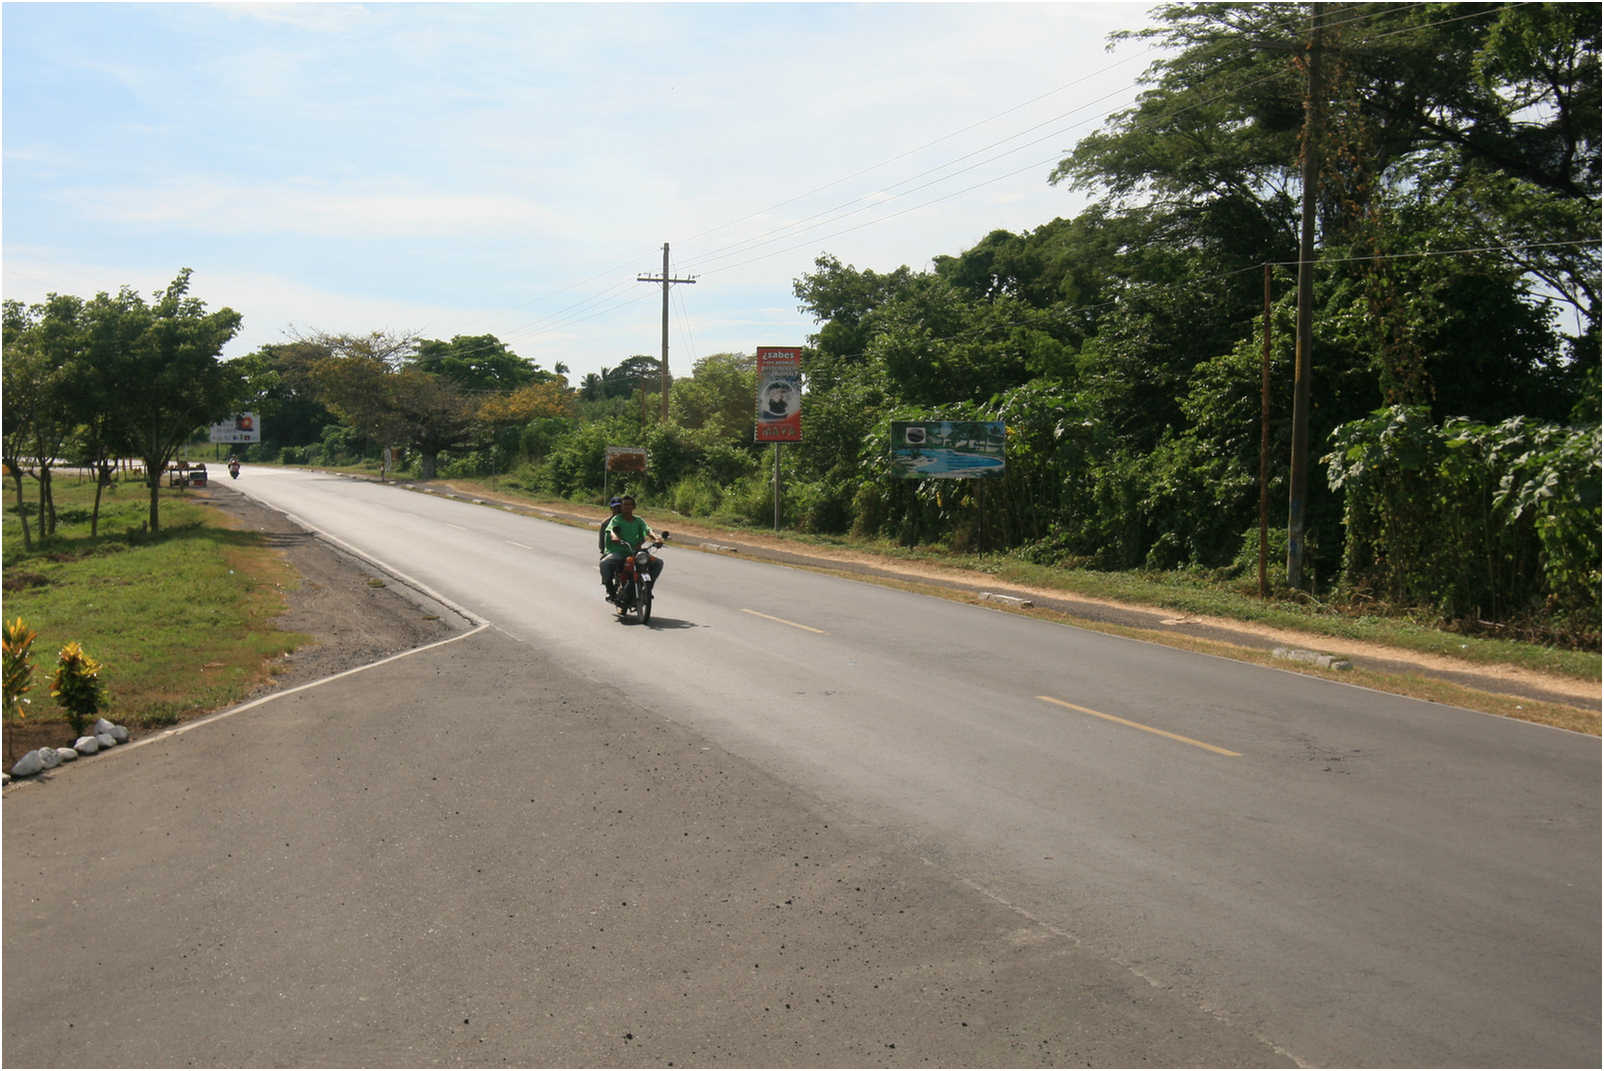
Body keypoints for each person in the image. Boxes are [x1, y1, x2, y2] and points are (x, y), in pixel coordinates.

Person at [599, 494, 663, 600]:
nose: (627, 507)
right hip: (618, 552)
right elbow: (611, 530)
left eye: (630, 504)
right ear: (622, 507)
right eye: (625, 505)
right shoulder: (616, 519)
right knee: (604, 563)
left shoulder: (638, 520)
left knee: (658, 563)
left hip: (635, 552)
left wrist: (656, 538)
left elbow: (648, 530)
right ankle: (610, 591)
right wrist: (615, 537)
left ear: (634, 507)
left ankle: (647, 589)